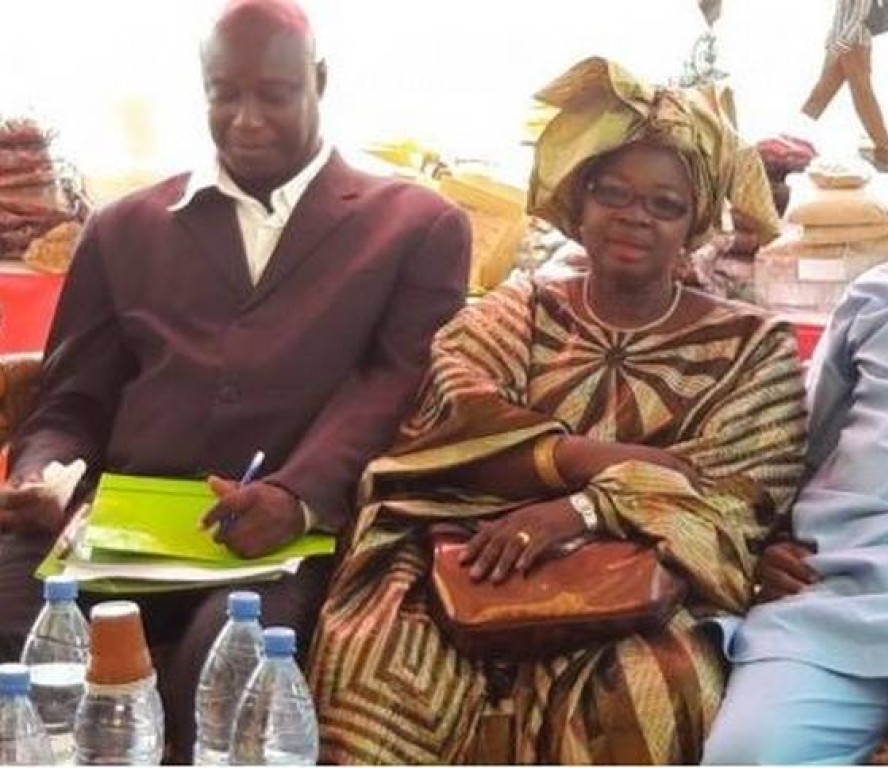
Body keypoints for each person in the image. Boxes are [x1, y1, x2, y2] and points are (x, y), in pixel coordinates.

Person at [0, 0, 469, 761]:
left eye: (274, 95)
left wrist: (296, 496)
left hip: (280, 539)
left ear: (319, 81)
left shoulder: (415, 226)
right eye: (224, 95)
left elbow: (394, 385)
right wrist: (42, 473)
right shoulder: (123, 227)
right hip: (108, 531)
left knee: (227, 675)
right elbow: (72, 400)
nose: (246, 120)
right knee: (16, 637)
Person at [309, 56, 807, 765]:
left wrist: (578, 511)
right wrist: (607, 462)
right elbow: (455, 428)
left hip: (655, 584)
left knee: (647, 691)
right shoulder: (514, 314)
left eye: (665, 205)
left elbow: (734, 494)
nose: (634, 216)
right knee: (384, 666)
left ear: (695, 224)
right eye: (613, 193)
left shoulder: (750, 349)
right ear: (579, 200)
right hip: (474, 554)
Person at [703, 264, 888, 764]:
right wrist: (768, 542)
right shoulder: (875, 299)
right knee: (747, 755)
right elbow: (797, 453)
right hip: (841, 595)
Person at [801, 0, 888, 170]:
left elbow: (858, 18)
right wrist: (831, 40)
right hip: (841, 43)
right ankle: (794, 138)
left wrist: (838, 48)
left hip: (854, 45)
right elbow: (841, 13)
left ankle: (885, 147)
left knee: (863, 99)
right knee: (822, 93)